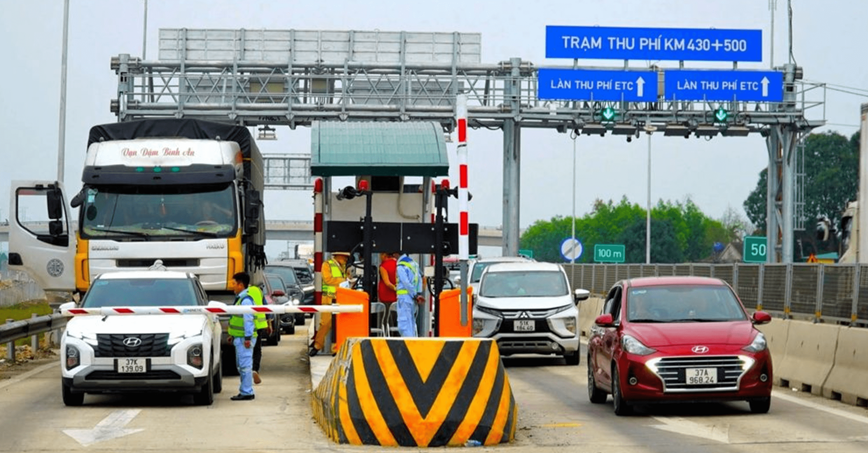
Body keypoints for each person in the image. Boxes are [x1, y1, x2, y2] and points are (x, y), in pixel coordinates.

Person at [309, 251, 352, 356]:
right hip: (328, 298)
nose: (346, 259)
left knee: (338, 325)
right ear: (338, 255)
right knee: (325, 323)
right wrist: (344, 280)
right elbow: (328, 279)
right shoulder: (327, 265)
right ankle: (317, 345)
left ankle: (336, 349)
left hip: (340, 298)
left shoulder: (344, 267)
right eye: (344, 257)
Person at [228, 272, 256, 401]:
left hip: (244, 338)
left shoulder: (245, 300)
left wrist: (247, 338)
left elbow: (248, 320)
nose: (232, 286)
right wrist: (232, 335)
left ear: (240, 284)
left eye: (234, 284)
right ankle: (245, 390)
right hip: (239, 337)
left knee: (245, 366)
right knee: (242, 365)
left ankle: (247, 392)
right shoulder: (241, 299)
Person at [247, 283, 272, 385]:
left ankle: (247, 371)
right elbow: (266, 308)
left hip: (245, 325)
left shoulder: (242, 294)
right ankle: (255, 369)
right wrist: (269, 324)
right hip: (258, 325)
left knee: (246, 350)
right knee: (257, 349)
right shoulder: (258, 291)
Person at [395, 253, 424, 337]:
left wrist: (415, 295)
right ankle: (413, 345)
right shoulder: (414, 264)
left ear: (396, 254)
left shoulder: (401, 266)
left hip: (404, 299)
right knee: (411, 324)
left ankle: (408, 346)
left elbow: (405, 282)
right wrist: (418, 294)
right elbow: (419, 279)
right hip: (412, 300)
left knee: (404, 326)